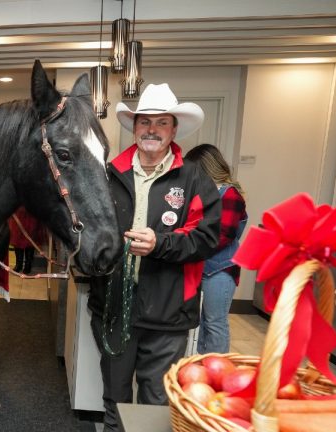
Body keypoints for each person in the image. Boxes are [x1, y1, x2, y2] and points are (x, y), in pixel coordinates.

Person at [88, 83, 221, 431]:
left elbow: (207, 238)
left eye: (161, 123)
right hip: (116, 309)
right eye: (145, 121)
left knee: (156, 404)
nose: (151, 129)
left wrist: (159, 245)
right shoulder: (109, 173)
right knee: (114, 400)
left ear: (174, 129)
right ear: (134, 127)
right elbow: (89, 230)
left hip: (168, 314)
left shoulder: (193, 179)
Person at [184, 144, 247, 354]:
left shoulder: (230, 195)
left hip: (220, 271)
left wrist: (188, 248)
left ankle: (216, 371)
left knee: (215, 323)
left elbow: (223, 236)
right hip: (202, 267)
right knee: (202, 323)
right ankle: (202, 369)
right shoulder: (205, 193)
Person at [8, 207, 48, 274]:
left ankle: (28, 265)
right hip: (19, 212)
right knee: (17, 239)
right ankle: (18, 264)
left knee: (30, 240)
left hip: (31, 213)